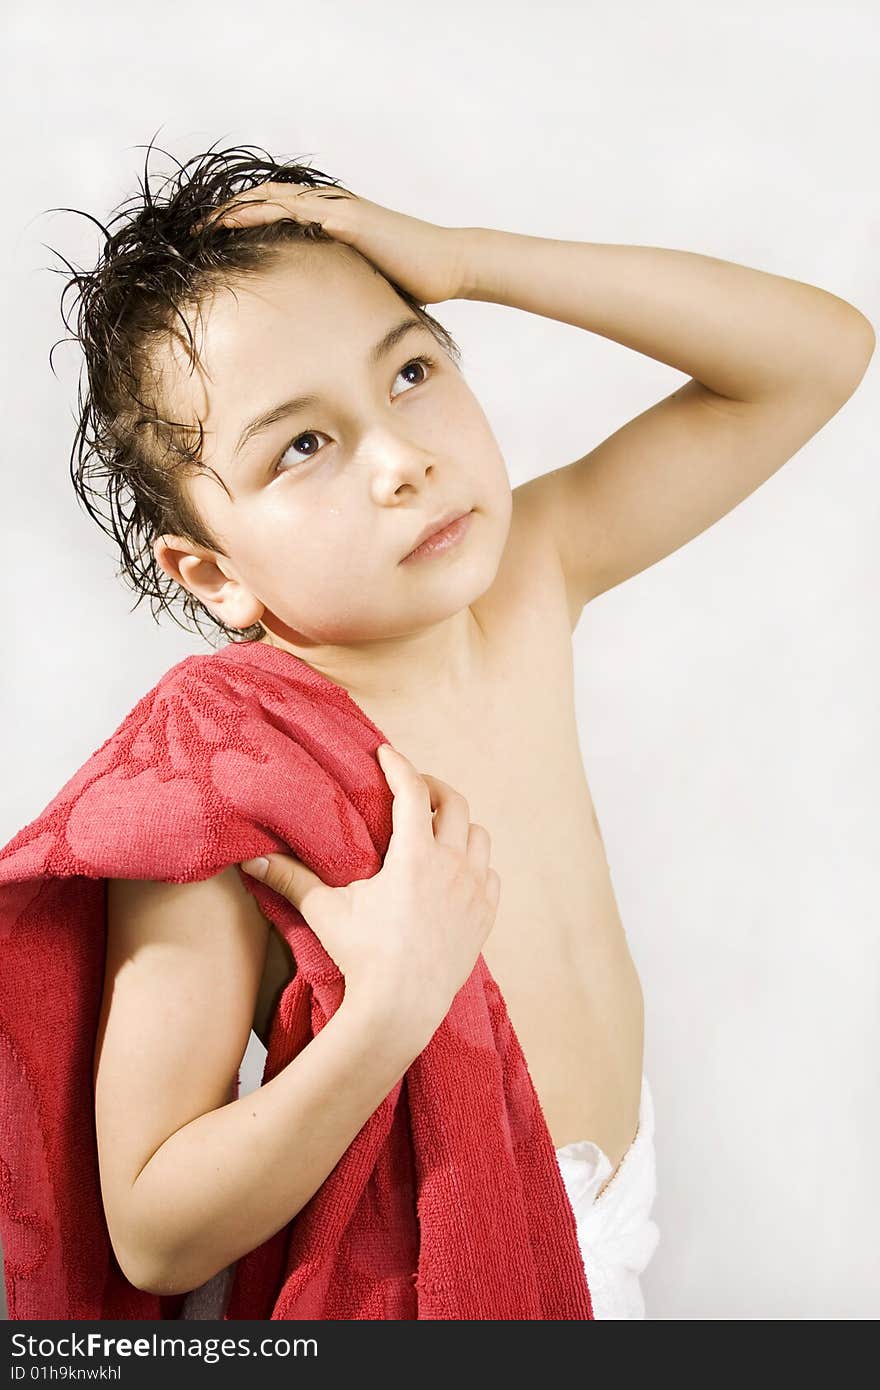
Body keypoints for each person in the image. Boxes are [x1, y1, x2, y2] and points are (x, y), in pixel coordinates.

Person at [76, 141, 873, 1319]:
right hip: (428, 1296)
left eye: (408, 371)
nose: (405, 459)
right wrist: (386, 1013)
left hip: (610, 1241)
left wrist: (460, 259)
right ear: (211, 572)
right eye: (302, 444)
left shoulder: (526, 579)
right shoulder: (226, 780)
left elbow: (816, 356)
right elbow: (153, 1232)